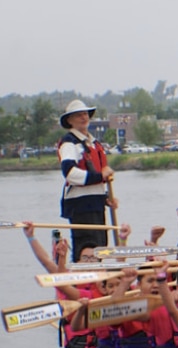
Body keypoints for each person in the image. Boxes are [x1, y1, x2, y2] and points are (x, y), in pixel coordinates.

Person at [57, 99, 116, 262]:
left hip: (95, 201)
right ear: (70, 120)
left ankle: (100, 284)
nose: (83, 118)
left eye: (85, 114)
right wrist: (99, 176)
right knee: (86, 247)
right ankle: (84, 284)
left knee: (100, 246)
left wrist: (106, 199)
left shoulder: (93, 143)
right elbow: (69, 173)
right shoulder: (69, 143)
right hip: (80, 204)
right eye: (78, 115)